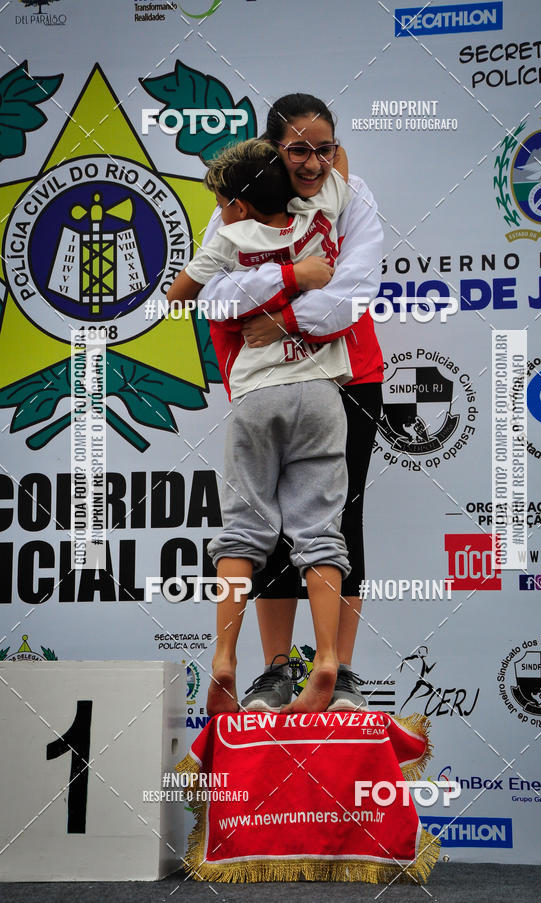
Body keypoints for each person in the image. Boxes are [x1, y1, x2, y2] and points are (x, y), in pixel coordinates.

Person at [201, 94, 384, 713]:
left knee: (342, 521)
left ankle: (342, 673)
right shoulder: (238, 203)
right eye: (298, 149)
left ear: (338, 149)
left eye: (324, 149)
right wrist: (288, 283)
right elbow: (215, 299)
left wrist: (278, 321)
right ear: (271, 150)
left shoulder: (352, 197)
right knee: (270, 530)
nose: (312, 163)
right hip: (265, 386)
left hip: (350, 378)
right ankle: (277, 671)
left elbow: (351, 293)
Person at [167, 137, 355, 715]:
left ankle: (225, 656)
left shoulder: (227, 238)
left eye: (222, 201)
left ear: (238, 207)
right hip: (321, 394)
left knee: (243, 532)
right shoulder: (318, 218)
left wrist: (232, 268)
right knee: (321, 532)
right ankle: (326, 659)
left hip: (256, 398)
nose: (218, 213)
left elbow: (178, 298)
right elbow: (333, 163)